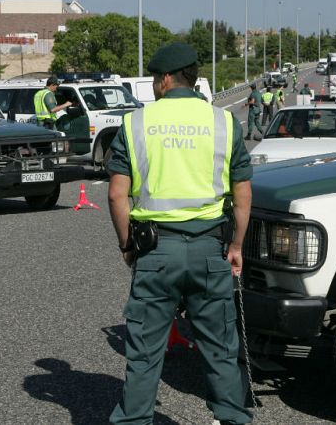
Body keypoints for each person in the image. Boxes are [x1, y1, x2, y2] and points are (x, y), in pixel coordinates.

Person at [107, 42, 254, 425]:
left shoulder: (136, 123)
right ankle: (233, 419)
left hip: (156, 252)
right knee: (220, 349)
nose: (156, 84)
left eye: (156, 78)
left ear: (167, 79)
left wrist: (128, 246)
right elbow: (242, 192)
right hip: (210, 251)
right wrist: (236, 245)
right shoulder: (224, 123)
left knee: (143, 353)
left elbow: (117, 193)